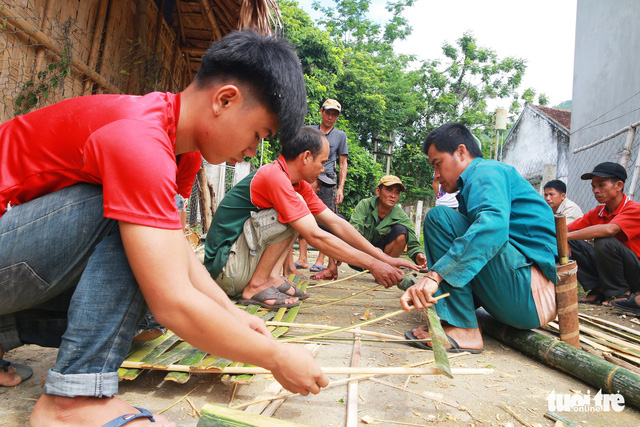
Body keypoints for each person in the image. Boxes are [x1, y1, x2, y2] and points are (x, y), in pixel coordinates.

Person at [0, 30, 330, 426]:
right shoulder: (140, 139)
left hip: (19, 260)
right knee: (128, 225)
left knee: (146, 312)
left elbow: (170, 245)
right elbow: (172, 300)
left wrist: (231, 313)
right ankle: (74, 400)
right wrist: (276, 358)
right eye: (257, 134)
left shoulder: (180, 152)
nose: (250, 150)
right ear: (225, 100)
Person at [204, 127, 417, 308]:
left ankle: (273, 277)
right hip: (226, 270)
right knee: (294, 215)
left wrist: (382, 258)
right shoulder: (274, 177)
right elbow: (316, 236)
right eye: (322, 161)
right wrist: (372, 264)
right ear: (306, 157)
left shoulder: (298, 184)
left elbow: (335, 222)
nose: (323, 168)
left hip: (239, 264)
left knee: (299, 212)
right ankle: (257, 285)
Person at [400, 123, 558, 353]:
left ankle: (464, 329)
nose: (437, 175)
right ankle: (457, 321)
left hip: (530, 294)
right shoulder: (475, 185)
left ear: (461, 152)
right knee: (453, 224)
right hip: (524, 294)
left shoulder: (485, 171)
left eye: (438, 163)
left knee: (440, 218)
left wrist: (435, 276)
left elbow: (493, 227)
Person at [567, 162, 640, 306]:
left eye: (601, 185)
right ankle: (598, 288)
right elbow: (567, 230)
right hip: (612, 271)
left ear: (618, 185)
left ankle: (619, 293)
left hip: (635, 272)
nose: (596, 190)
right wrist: (565, 237)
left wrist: (566, 236)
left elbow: (609, 230)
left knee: (605, 241)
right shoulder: (598, 212)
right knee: (572, 242)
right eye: (593, 186)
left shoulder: (634, 209)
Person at [295, 99, 348, 274]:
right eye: (328, 112)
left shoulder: (340, 136)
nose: (330, 116)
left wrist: (340, 187)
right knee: (302, 213)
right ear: (321, 111)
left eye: (334, 114)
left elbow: (343, 163)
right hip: (309, 178)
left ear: (337, 116)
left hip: (328, 181)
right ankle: (302, 258)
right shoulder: (310, 131)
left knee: (327, 218)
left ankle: (321, 258)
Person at [349, 175, 427, 271]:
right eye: (389, 190)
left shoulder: (401, 216)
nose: (393, 195)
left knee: (401, 230)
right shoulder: (364, 205)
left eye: (397, 192)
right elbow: (352, 233)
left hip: (384, 258)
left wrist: (419, 255)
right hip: (360, 257)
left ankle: (385, 270)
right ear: (378, 191)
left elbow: (413, 242)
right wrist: (371, 251)